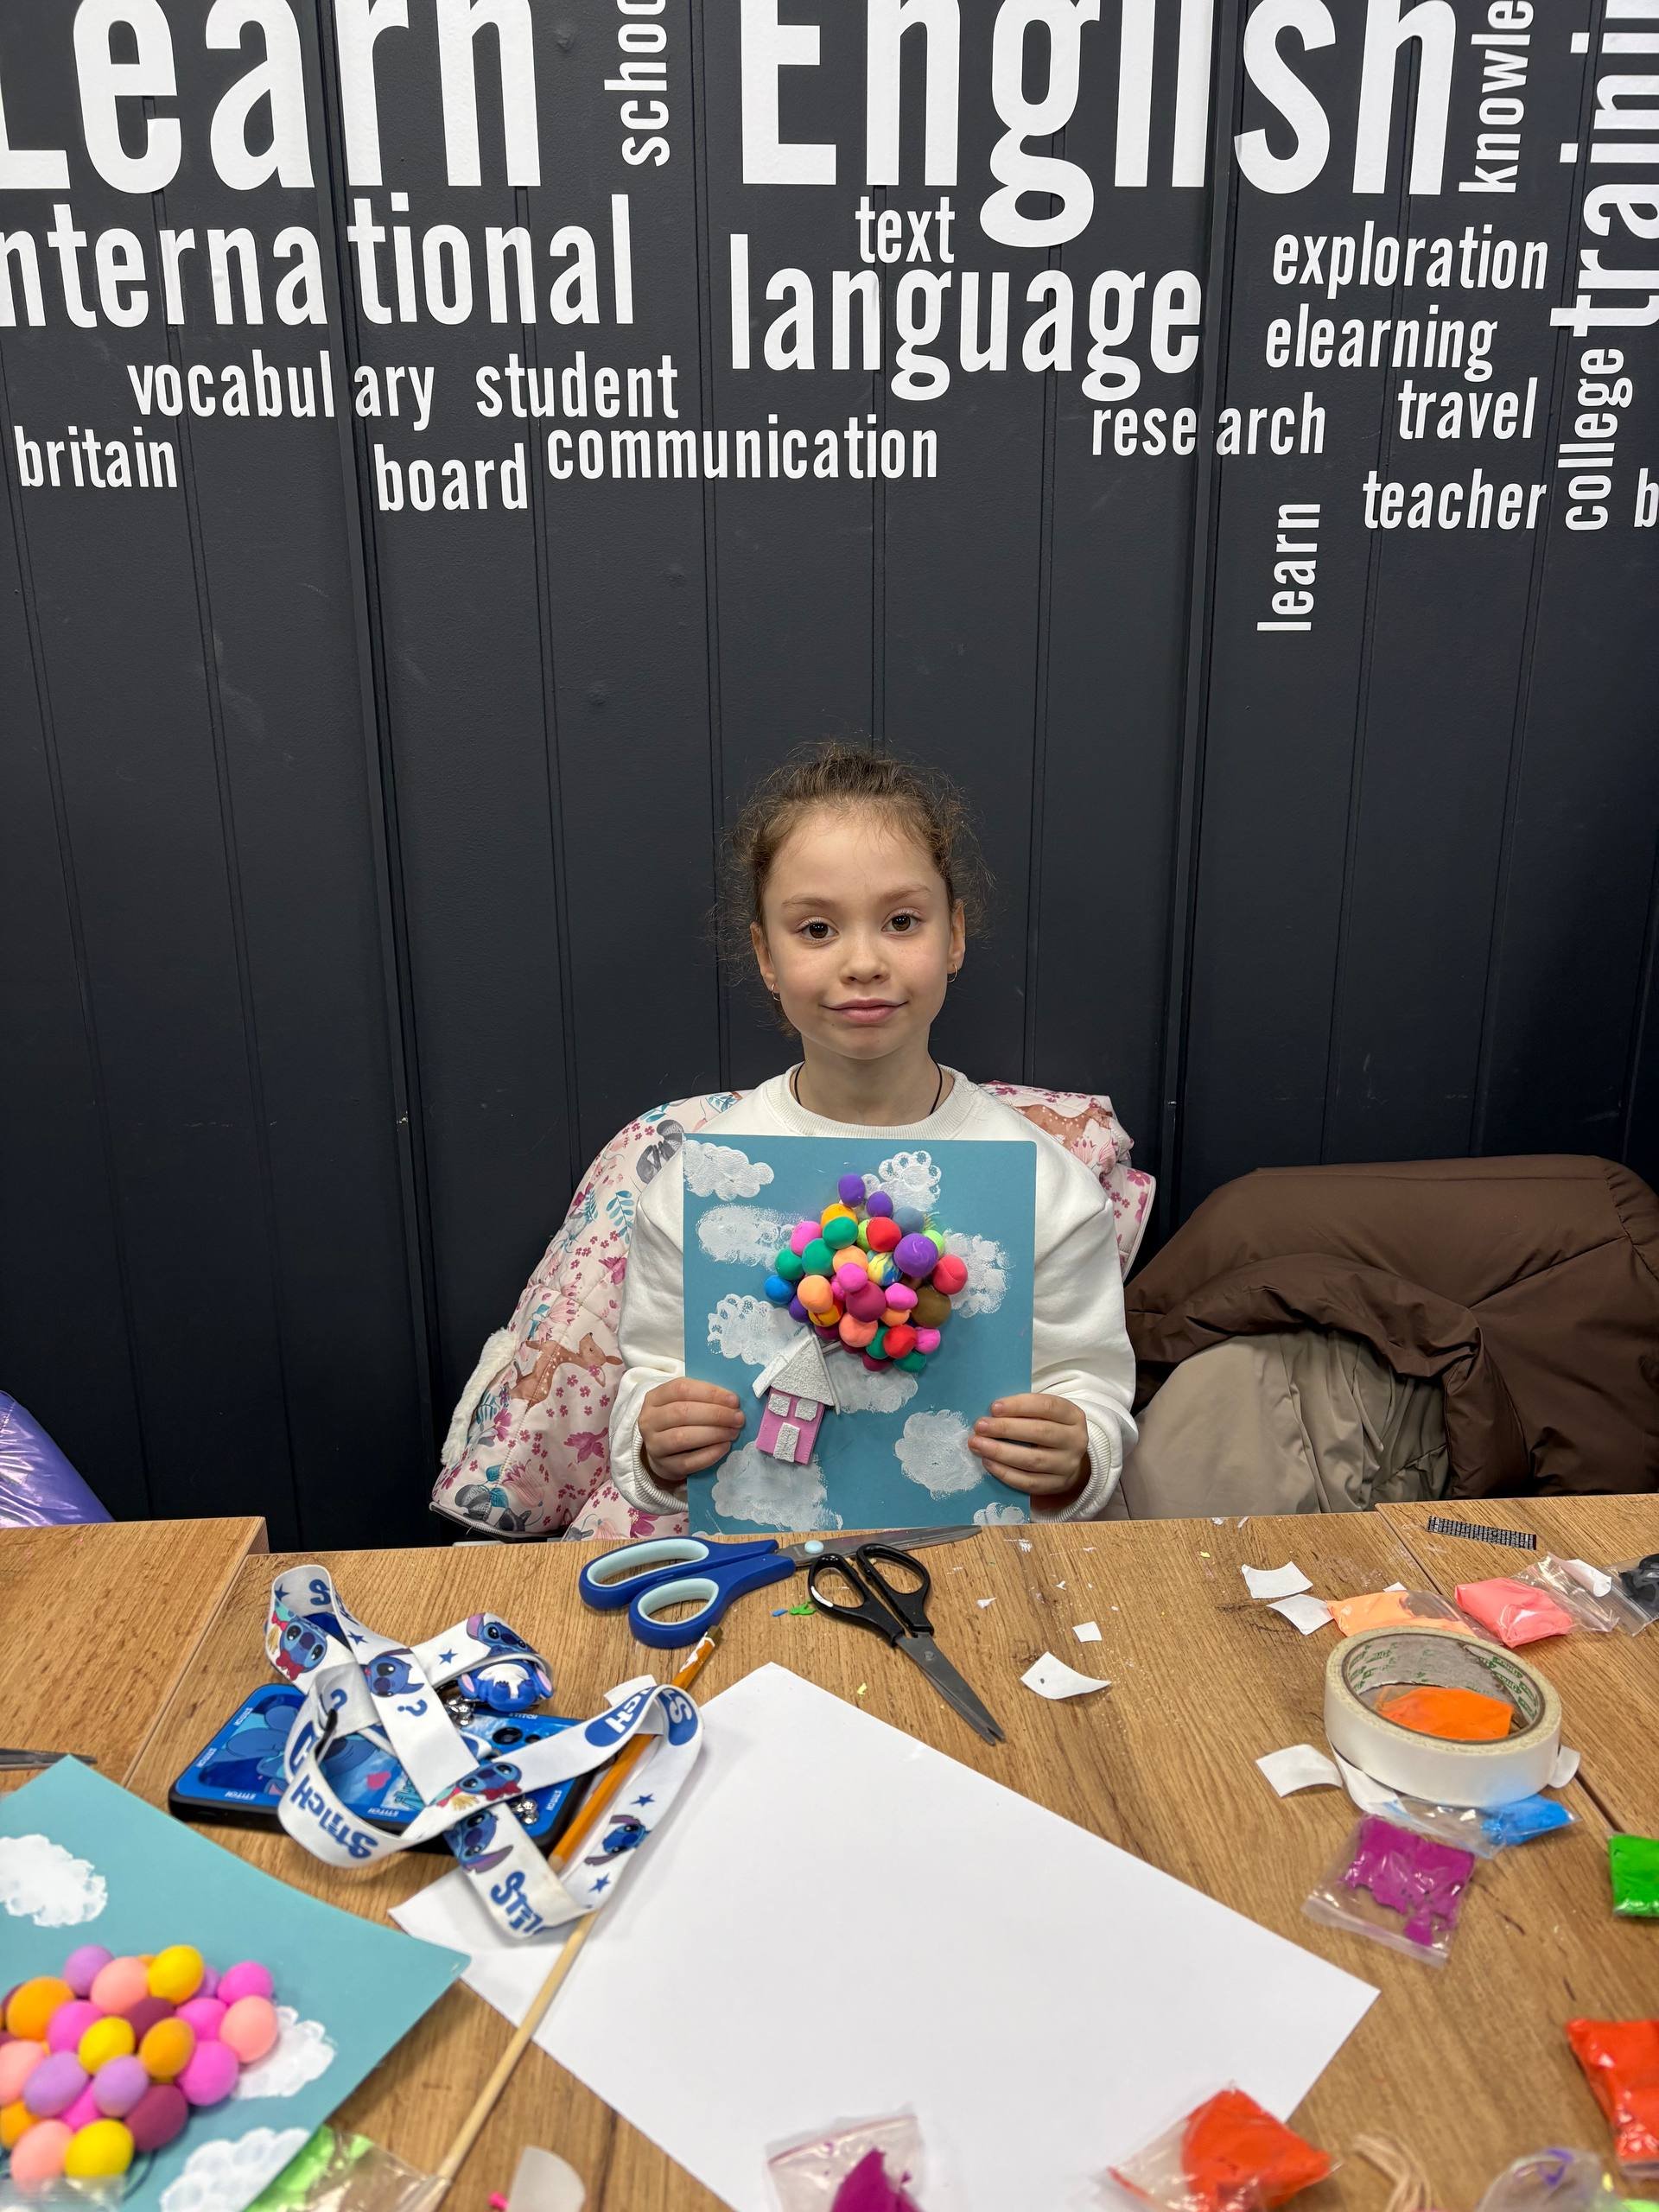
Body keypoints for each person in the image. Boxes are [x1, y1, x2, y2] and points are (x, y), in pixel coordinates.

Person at [607, 742, 1137, 1520]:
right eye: (817, 929)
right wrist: (655, 1443)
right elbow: (649, 1385)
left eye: (900, 921)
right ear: (765, 955)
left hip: (981, 1568)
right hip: (767, 1557)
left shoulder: (1047, 1183)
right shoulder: (695, 1182)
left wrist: (1078, 1453)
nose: (863, 961)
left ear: (953, 936)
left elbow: (1091, 1389)